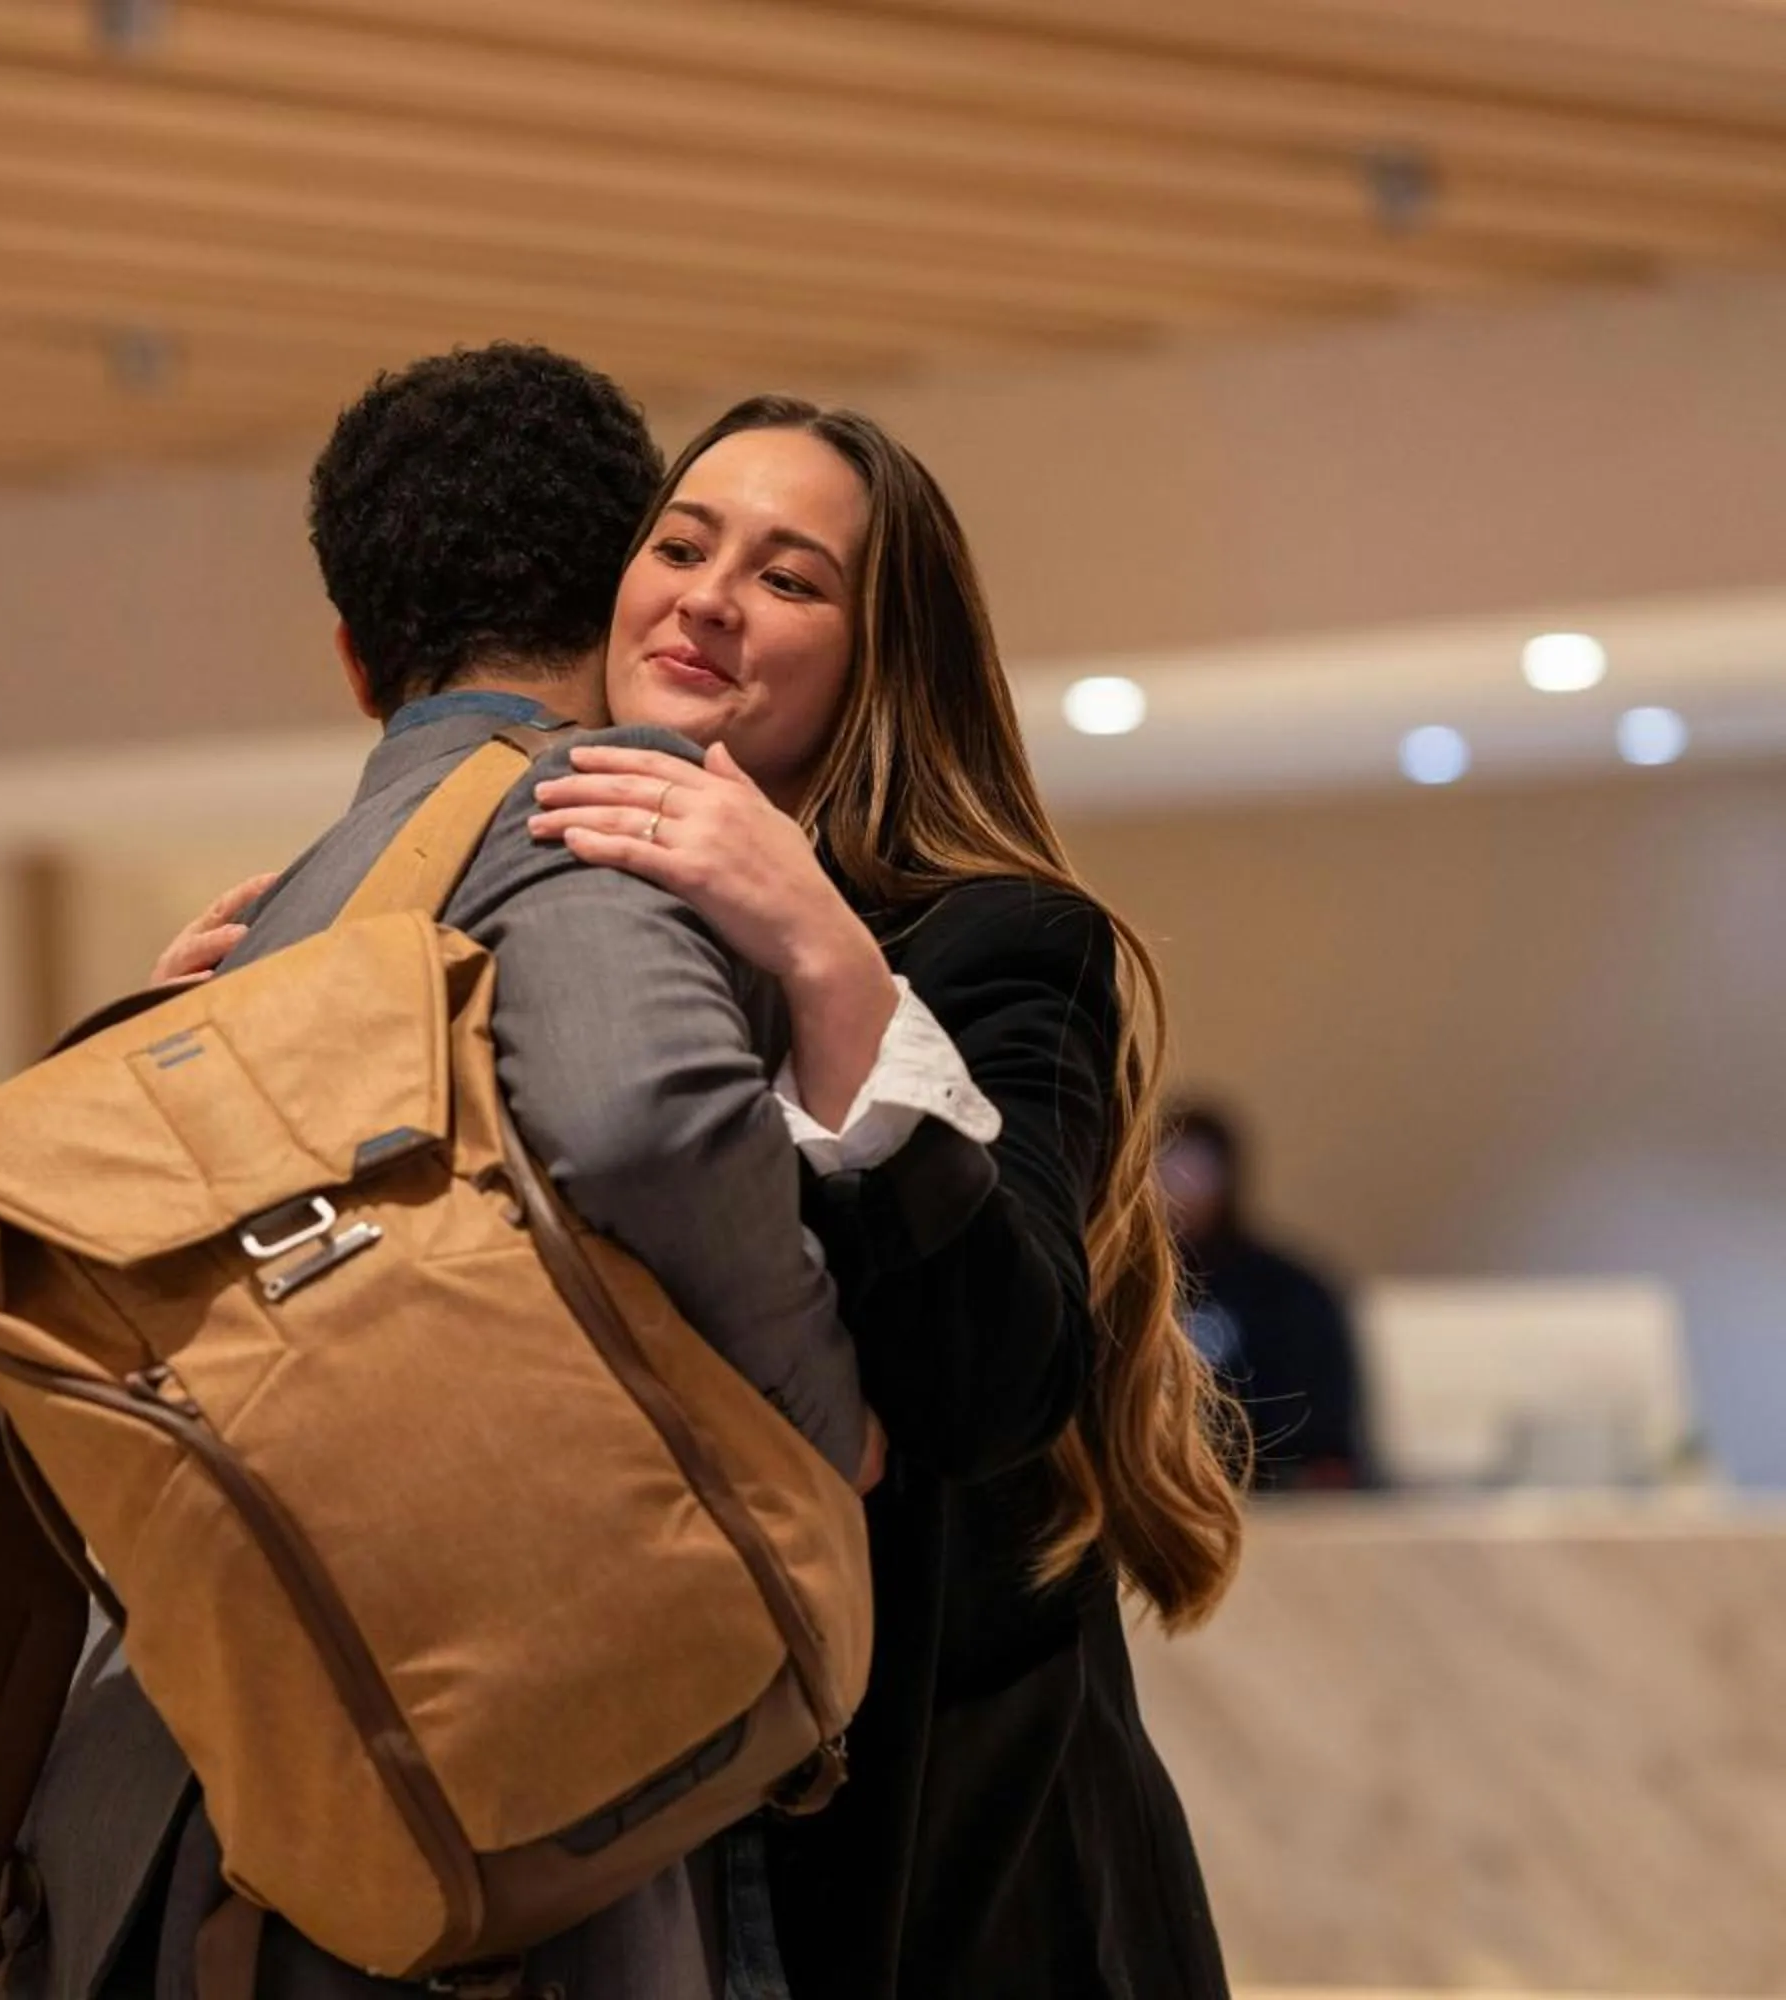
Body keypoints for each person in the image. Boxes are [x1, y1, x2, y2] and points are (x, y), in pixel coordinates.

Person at [0, 345, 886, 2000]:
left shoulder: (273, 922)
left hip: (204, 1787)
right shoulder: (599, 811)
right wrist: (819, 1432)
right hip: (481, 1790)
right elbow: (644, 1120)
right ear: (621, 586)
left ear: (352, 658)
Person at [525, 396, 1248, 1998]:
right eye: (681, 546)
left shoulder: (1000, 941)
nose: (712, 598)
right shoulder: (534, 925)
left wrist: (823, 952)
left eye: (790, 579)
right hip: (635, 1823)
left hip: (955, 1857)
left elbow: (994, 1380)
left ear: (879, 660)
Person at [1161, 1100, 1373, 1488]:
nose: (1180, 1190)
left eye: (1196, 1172)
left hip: (1277, 1491)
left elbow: (1323, 1429)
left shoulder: (1289, 1293)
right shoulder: (1123, 1289)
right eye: (1167, 1171)